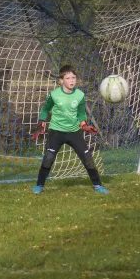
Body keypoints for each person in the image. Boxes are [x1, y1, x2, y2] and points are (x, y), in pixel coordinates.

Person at [31, 65, 109, 194]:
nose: (71, 80)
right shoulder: (54, 95)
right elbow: (45, 109)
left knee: (88, 158)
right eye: (68, 78)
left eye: (73, 77)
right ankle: (39, 185)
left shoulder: (80, 95)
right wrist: (42, 121)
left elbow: (81, 113)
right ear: (61, 81)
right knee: (48, 158)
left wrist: (84, 125)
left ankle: (98, 185)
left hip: (74, 133)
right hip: (56, 132)